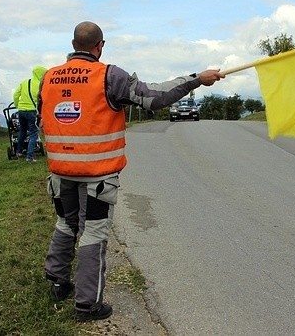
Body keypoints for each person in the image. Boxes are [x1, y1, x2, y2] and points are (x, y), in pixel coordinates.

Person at [38, 21, 224, 322]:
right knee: (93, 233)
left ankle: (58, 281)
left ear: (73, 45)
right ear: (100, 46)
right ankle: (88, 305)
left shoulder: (48, 78)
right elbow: (155, 97)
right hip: (97, 175)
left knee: (65, 223)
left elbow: (42, 119)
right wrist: (196, 79)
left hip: (60, 172)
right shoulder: (109, 75)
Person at [13, 65, 46, 162]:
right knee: (33, 134)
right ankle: (30, 156)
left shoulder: (25, 82)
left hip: (21, 111)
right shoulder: (40, 85)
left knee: (22, 131)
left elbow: (16, 95)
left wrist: (17, 105)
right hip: (32, 112)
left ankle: (18, 152)